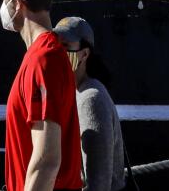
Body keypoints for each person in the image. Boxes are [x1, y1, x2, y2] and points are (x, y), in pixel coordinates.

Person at [0, 0, 81, 191]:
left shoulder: (42, 59)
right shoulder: (48, 54)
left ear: (17, 3)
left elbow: (46, 160)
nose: (3, 8)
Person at [52, 16, 126, 191]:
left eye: (65, 47)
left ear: (84, 54)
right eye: (55, 46)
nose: (58, 54)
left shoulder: (90, 100)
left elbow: (98, 183)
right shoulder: (79, 92)